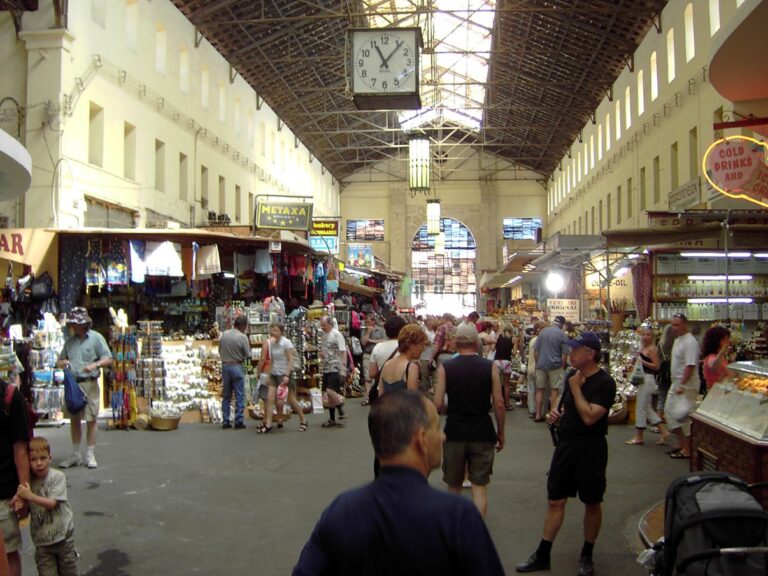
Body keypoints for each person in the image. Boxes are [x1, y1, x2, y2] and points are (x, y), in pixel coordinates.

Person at [293, 391, 506, 576]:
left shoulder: (341, 510)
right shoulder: (457, 516)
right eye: (437, 428)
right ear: (421, 439)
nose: (442, 436)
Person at [517, 332, 616, 576]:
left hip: (591, 448)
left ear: (590, 354)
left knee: (592, 501)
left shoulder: (604, 383)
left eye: (575, 349)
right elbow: (563, 405)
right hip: (566, 447)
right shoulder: (573, 376)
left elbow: (591, 416)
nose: (570, 353)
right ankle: (543, 553)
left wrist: (576, 389)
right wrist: (554, 413)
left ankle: (587, 554)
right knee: (555, 499)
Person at [433, 323, 505, 517]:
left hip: (455, 430)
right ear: (476, 343)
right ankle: (477, 530)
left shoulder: (446, 367)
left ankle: (455, 529)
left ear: (456, 343)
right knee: (479, 486)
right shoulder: (490, 367)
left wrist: (436, 429)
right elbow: (498, 403)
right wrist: (501, 433)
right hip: (482, 430)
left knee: (454, 485)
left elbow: (438, 403)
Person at [56, 307, 113, 469]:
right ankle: (76, 454)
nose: (74, 326)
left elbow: (108, 359)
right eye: (73, 323)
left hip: (90, 384)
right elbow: (59, 361)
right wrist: (63, 364)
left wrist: (95, 364)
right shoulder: (70, 342)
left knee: (91, 419)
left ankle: (90, 453)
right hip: (74, 384)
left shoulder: (96, 338)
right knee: (74, 419)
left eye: (76, 323)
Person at [15, 437, 78, 576]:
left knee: (69, 572)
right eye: (33, 459)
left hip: (63, 539)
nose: (39, 463)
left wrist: (29, 496)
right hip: (42, 543)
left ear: (50, 458)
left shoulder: (57, 477)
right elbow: (25, 511)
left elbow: (52, 503)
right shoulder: (28, 482)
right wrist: (21, 504)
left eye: (43, 458)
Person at [0, 378, 30, 576]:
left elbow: (21, 450)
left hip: (4, 493)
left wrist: (23, 491)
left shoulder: (10, 396)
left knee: (8, 552)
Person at [257, 322, 307, 433]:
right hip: (274, 375)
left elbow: (291, 360)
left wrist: (287, 374)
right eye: (271, 330)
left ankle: (303, 419)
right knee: (269, 399)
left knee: (291, 400)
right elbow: (272, 360)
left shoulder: (286, 343)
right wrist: (269, 374)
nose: (272, 332)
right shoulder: (272, 343)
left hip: (284, 375)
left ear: (281, 332)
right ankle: (269, 424)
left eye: (275, 330)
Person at [625, 325, 669, 446]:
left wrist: (642, 361)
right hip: (642, 378)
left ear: (652, 336)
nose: (645, 337)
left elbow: (657, 366)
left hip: (647, 379)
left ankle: (639, 436)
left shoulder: (652, 349)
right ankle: (663, 430)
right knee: (646, 407)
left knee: (641, 408)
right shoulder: (643, 348)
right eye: (644, 334)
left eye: (648, 334)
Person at [665, 314, 700, 460]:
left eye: (677, 325)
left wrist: (683, 384)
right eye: (673, 325)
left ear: (685, 324)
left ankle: (687, 449)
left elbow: (690, 365)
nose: (674, 328)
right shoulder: (678, 340)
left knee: (684, 418)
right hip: (677, 383)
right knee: (669, 413)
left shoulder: (690, 342)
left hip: (686, 386)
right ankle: (681, 444)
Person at [533, 315, 568, 422]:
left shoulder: (543, 332)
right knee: (555, 390)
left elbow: (536, 351)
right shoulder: (563, 335)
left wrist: (538, 363)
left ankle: (538, 414)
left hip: (541, 365)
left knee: (539, 390)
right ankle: (552, 416)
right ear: (562, 325)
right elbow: (564, 355)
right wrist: (563, 366)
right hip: (555, 366)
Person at [376, 324, 427, 397]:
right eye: (421, 344)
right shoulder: (411, 368)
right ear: (411, 345)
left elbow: (380, 395)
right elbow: (412, 402)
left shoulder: (387, 364)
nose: (423, 349)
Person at [219, 314, 251, 430]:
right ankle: (239, 420)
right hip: (237, 365)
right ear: (243, 325)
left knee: (226, 395)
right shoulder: (242, 337)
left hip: (225, 365)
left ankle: (226, 420)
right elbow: (248, 354)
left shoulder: (224, 335)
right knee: (239, 394)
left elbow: (219, 350)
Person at [319, 316, 347, 427]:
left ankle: (340, 407)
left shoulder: (337, 334)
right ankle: (332, 419)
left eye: (324, 325)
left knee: (331, 391)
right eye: (321, 325)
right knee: (328, 394)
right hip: (326, 366)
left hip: (336, 366)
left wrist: (343, 367)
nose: (322, 327)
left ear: (330, 324)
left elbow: (343, 351)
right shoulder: (324, 335)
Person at [368, 315, 406, 391]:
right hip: (402, 391)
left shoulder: (378, 347)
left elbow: (372, 373)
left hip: (383, 390)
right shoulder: (406, 347)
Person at [360, 314, 385, 406]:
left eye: (369, 321)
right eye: (366, 321)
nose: (367, 322)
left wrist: (372, 341)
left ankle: (379, 396)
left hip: (379, 355)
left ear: (374, 321)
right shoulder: (364, 330)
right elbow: (363, 342)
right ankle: (368, 397)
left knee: (379, 376)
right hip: (367, 355)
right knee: (367, 377)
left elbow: (385, 340)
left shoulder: (381, 330)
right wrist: (368, 332)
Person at [701, 325, 731, 391]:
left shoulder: (723, 358)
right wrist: (722, 352)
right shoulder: (711, 357)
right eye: (724, 339)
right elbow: (714, 368)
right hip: (714, 393)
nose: (727, 341)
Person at [494, 324, 516, 411]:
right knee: (506, 385)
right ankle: (507, 404)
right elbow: (514, 353)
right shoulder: (513, 339)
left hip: (497, 361)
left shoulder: (498, 336)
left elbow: (493, 348)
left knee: (496, 384)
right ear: (511, 331)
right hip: (507, 362)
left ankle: (495, 403)